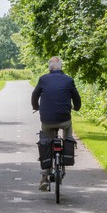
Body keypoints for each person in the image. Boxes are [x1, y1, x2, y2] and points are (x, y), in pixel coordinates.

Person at [31, 56, 81, 191]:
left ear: (49, 68)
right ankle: (66, 153)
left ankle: (45, 177)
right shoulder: (69, 80)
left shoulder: (43, 79)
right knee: (68, 132)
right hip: (64, 119)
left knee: (46, 142)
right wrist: (76, 107)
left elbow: (34, 96)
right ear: (61, 67)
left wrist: (36, 107)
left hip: (47, 120)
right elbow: (76, 98)